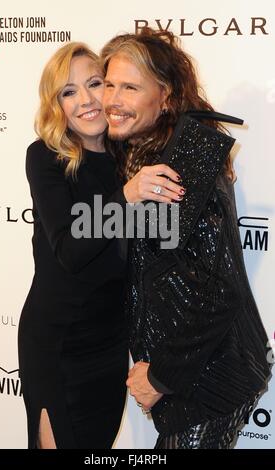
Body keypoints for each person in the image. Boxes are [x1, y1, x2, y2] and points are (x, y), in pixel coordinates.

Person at [100, 28, 272, 449]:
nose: (113, 100)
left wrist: (160, 376)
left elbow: (218, 289)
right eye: (108, 84)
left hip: (208, 379)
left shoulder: (184, 165)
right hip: (190, 373)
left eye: (130, 87)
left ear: (167, 97)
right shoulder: (138, 153)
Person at [18, 41, 182, 449]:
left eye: (96, 84)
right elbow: (71, 249)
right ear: (56, 105)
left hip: (110, 346)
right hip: (58, 344)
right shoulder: (45, 158)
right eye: (69, 92)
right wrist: (126, 196)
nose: (89, 100)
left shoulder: (127, 154)